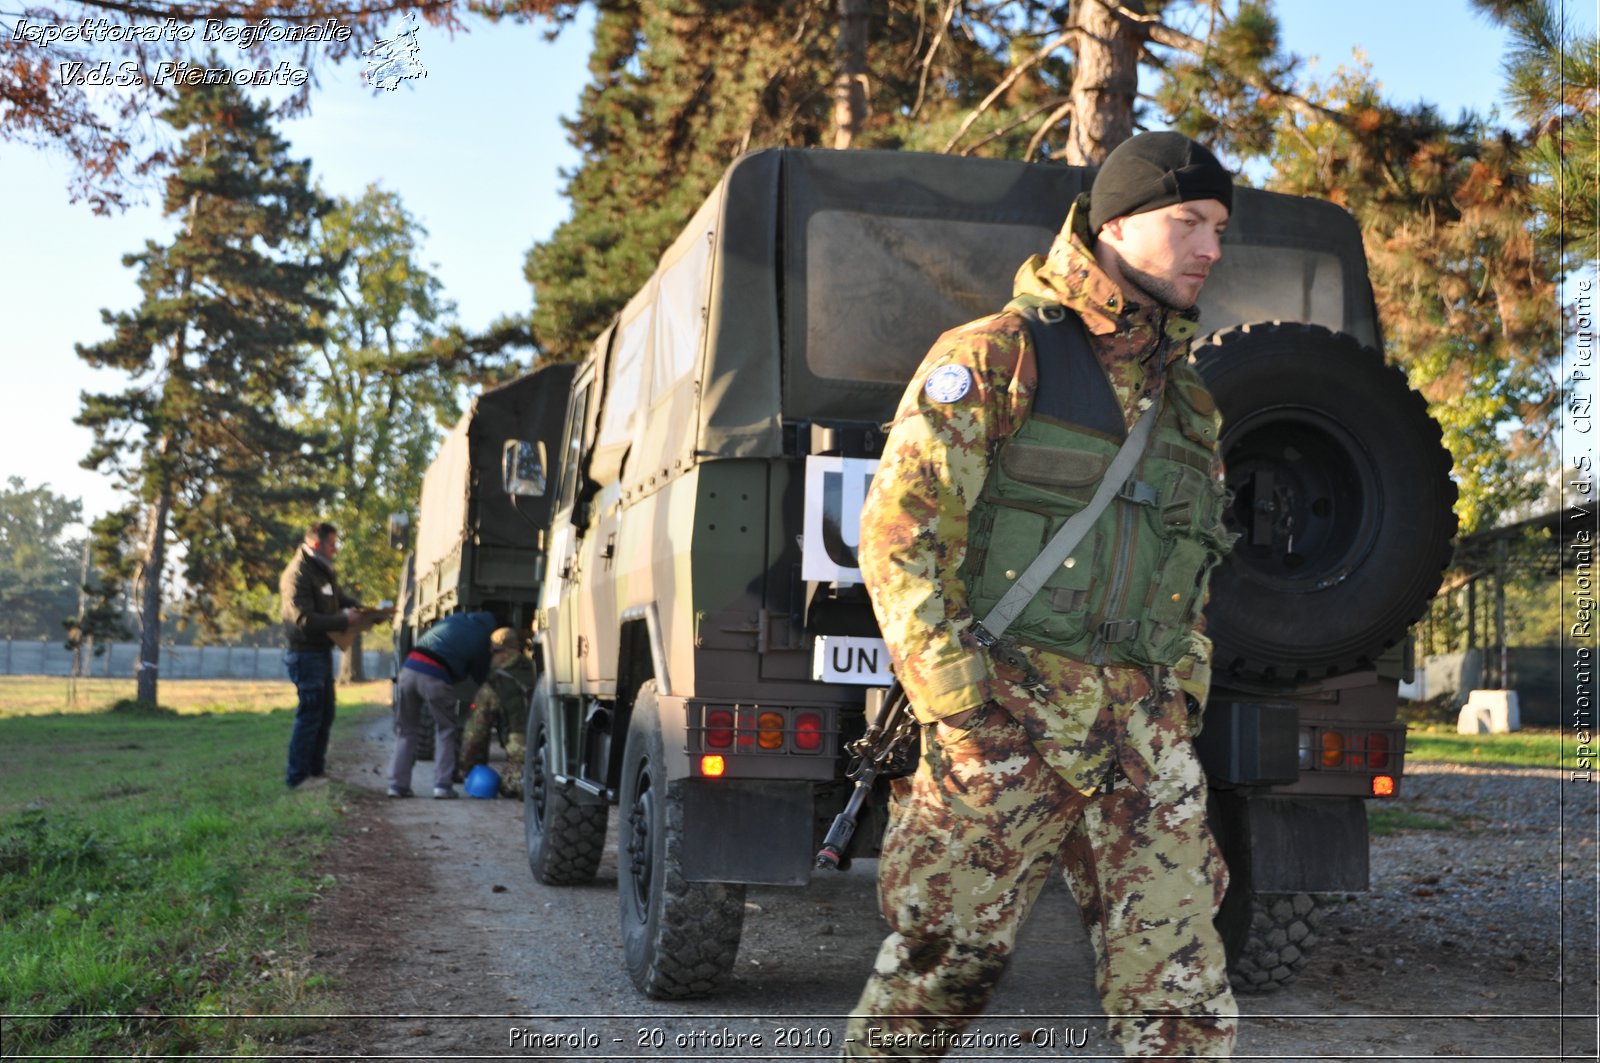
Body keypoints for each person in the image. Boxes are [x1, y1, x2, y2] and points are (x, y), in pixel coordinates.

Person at [845, 131, 1239, 1059]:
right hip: (1006, 718)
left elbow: (1194, 568)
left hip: (1142, 736)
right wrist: (959, 705)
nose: (1212, 249)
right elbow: (901, 534)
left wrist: (1181, 694)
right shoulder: (997, 354)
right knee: (940, 975)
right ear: (1115, 224)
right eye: (1190, 222)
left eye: (1220, 228)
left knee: (1181, 994)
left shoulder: (1190, 404)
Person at [280, 522, 363, 790]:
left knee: (325, 714)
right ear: (317, 544)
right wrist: (342, 620)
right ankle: (298, 777)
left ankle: (315, 773)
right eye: (332, 544)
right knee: (310, 714)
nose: (335, 549)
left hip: (320, 653)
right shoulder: (298, 574)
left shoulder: (322, 571)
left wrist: (364, 610)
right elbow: (302, 619)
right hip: (305, 655)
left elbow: (339, 599)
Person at [388, 610, 497, 799]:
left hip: (408, 669)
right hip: (434, 676)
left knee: (405, 730)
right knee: (446, 730)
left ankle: (397, 785)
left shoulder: (454, 620)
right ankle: (442, 785)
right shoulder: (482, 638)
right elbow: (481, 675)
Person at [458, 626, 535, 797]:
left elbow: (475, 732)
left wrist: (465, 765)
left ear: (499, 653)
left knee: (511, 785)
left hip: (521, 749)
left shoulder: (494, 684)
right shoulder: (538, 672)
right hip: (550, 748)